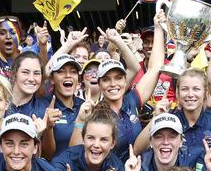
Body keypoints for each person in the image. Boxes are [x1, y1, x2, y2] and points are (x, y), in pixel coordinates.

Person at [70, 15, 165, 162]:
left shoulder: (131, 100)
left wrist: (158, 27)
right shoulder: (96, 115)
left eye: (118, 78)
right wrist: (80, 120)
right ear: (99, 84)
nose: (113, 84)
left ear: (125, 80)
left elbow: (155, 67)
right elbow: (74, 154)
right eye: (106, 79)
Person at [51, 104, 127, 171]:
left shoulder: (116, 167)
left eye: (104, 140)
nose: (96, 145)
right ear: (83, 139)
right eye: (91, 138)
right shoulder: (64, 164)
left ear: (113, 143)